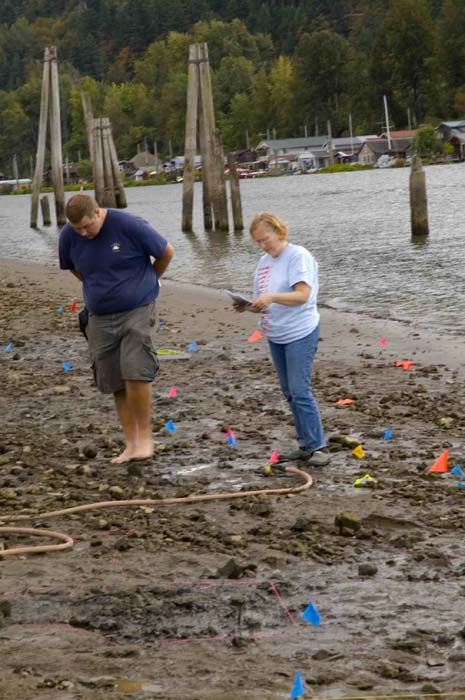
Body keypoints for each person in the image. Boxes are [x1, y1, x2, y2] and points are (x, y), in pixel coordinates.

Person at [59, 194, 174, 464]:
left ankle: (145, 440)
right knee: (115, 380)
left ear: (98, 213)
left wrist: (148, 280)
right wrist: (99, 284)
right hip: (99, 315)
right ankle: (131, 443)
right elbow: (73, 267)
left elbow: (166, 252)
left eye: (88, 226)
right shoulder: (69, 235)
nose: (84, 233)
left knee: (136, 372)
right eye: (78, 229)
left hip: (138, 308)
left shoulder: (129, 225)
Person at [237, 212, 329, 466]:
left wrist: (272, 298)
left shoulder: (298, 256)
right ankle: (305, 444)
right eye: (257, 242)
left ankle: (318, 446)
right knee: (289, 392)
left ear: (279, 232)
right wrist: (248, 306)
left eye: (266, 240)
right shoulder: (264, 262)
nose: (263, 246)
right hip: (276, 332)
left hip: (300, 330)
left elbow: (302, 295)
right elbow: (263, 301)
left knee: (300, 390)